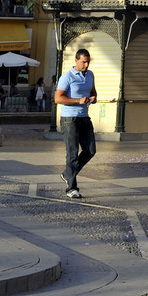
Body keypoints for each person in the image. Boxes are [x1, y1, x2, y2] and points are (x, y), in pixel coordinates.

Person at [55, 49, 97, 199]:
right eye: (83, 62)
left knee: (90, 150)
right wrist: (77, 100)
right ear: (76, 60)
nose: (86, 65)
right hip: (70, 119)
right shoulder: (67, 77)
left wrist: (93, 97)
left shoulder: (90, 75)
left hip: (84, 117)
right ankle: (71, 188)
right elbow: (58, 98)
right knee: (72, 153)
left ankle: (68, 173)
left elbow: (93, 91)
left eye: (88, 62)